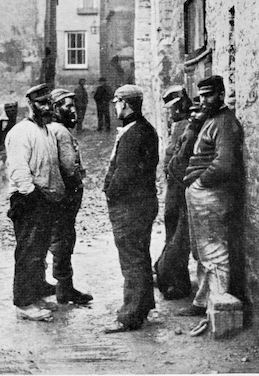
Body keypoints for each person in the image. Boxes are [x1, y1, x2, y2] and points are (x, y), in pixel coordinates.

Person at [178, 75, 244, 318]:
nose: (204, 100)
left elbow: (225, 164)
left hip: (212, 193)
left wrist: (200, 183)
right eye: (202, 96)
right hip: (202, 193)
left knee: (214, 251)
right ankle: (203, 301)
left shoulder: (225, 123)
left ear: (221, 94)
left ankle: (219, 309)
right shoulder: (212, 119)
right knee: (203, 251)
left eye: (210, 95)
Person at [5, 83, 65, 321]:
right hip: (27, 198)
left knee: (39, 251)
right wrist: (32, 195)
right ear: (30, 105)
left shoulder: (47, 130)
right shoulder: (20, 133)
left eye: (49, 102)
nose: (47, 107)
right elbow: (19, 170)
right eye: (41, 103)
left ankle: (36, 292)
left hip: (44, 198)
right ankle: (24, 303)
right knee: (28, 251)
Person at [103, 84, 159, 333]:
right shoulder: (143, 129)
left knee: (131, 260)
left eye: (117, 103)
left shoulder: (134, 134)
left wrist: (110, 194)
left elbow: (123, 175)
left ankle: (131, 315)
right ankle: (142, 305)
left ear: (125, 104)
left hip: (130, 207)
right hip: (143, 203)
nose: (115, 107)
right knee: (140, 255)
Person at [154, 85, 201, 300]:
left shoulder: (185, 126)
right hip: (173, 185)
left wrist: (171, 171)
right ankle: (170, 273)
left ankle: (173, 279)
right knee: (173, 229)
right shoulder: (179, 125)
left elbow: (179, 158)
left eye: (173, 108)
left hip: (180, 186)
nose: (170, 113)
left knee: (178, 234)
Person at [48, 88, 93, 305]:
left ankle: (55, 284)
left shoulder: (48, 128)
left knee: (55, 238)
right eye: (68, 106)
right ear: (56, 108)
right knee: (64, 240)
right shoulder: (62, 133)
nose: (73, 111)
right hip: (65, 194)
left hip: (52, 194)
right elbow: (69, 167)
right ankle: (64, 289)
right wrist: (77, 185)